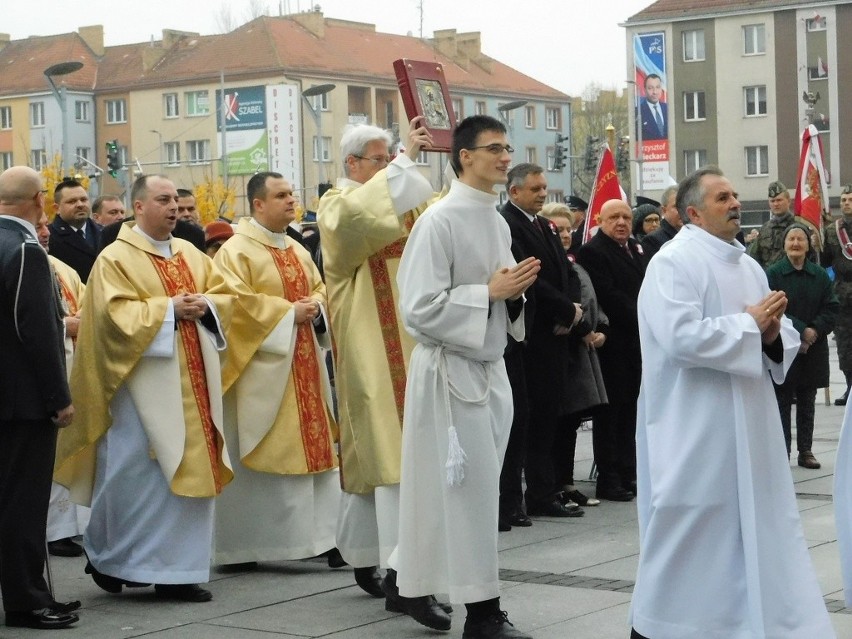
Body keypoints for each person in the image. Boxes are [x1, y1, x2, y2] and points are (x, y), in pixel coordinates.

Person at [630, 167, 834, 639]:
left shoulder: (745, 264)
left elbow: (777, 330)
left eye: (736, 196)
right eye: (723, 198)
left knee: (753, 530)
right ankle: (661, 626)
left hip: (751, 419)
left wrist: (766, 333)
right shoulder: (672, 263)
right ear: (693, 212)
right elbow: (679, 338)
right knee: (690, 529)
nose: (736, 203)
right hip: (695, 424)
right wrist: (748, 327)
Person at [55, 174, 233, 604]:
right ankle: (110, 557)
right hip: (139, 389)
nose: (174, 207)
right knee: (137, 477)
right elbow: (109, 319)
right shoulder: (115, 258)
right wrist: (168, 309)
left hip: (195, 381)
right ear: (138, 207)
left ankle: (180, 570)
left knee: (191, 473)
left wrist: (205, 305)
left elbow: (226, 296)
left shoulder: (190, 252)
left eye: (175, 199)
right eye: (162, 200)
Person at [394, 114, 538, 639]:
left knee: (458, 492)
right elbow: (418, 309)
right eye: (494, 148)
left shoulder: (496, 219)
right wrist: (489, 294)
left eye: (507, 146)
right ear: (465, 157)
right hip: (450, 372)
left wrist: (514, 294)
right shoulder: (440, 220)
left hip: (489, 365)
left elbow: (499, 293)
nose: (505, 156)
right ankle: (483, 613)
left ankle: (404, 579)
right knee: (472, 494)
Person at [316, 117, 440, 603]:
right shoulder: (336, 205)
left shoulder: (412, 204)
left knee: (395, 455)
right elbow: (356, 225)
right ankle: (399, 570)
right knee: (390, 451)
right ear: (351, 163)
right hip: (372, 342)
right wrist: (407, 160)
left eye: (391, 158)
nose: (390, 166)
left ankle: (369, 554)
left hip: (420, 342)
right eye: (381, 159)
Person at [210, 172, 340, 567]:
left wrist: (316, 308)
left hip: (304, 362)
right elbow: (231, 304)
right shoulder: (236, 251)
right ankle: (252, 544)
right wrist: (288, 313)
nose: (291, 201)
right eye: (280, 195)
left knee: (314, 448)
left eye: (291, 194)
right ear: (257, 204)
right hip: (262, 371)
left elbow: (320, 288)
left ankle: (320, 538)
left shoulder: (298, 249)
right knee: (268, 448)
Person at [0, 166, 79, 630]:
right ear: (39, 201)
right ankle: (28, 599)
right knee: (23, 504)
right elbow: (39, 332)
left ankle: (32, 591)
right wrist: (58, 396)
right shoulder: (26, 250)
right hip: (23, 402)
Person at [500, 164, 584, 521]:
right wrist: (565, 311)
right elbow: (528, 277)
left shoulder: (545, 224)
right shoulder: (508, 223)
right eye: (534, 189)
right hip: (530, 336)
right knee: (526, 419)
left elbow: (565, 271)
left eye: (544, 188)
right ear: (514, 191)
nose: (542, 194)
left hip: (556, 335)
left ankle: (542, 492)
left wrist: (573, 313)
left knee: (549, 416)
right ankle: (515, 500)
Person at [577, 199, 646, 502]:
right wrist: (645, 314)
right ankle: (609, 477)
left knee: (631, 410)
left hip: (634, 344)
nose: (621, 222)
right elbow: (609, 295)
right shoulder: (594, 251)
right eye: (614, 217)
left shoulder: (635, 248)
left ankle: (628, 471)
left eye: (626, 217)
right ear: (601, 221)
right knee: (611, 414)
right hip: (613, 343)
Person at [540, 202, 607, 508]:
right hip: (559, 348)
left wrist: (600, 326)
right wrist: (580, 328)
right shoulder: (547, 263)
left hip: (580, 351)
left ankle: (566, 483)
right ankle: (550, 485)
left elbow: (590, 298)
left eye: (568, 229)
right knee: (554, 424)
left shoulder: (574, 262)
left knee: (570, 423)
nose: (565, 234)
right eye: (558, 229)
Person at [33, 214, 90, 559]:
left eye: (45, 227)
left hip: (73, 369)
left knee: (71, 450)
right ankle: (52, 530)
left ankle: (70, 526)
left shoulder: (61, 268)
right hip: (45, 375)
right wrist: (63, 326)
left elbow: (87, 304)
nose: (44, 233)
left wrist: (83, 321)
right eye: (37, 226)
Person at [767, 223, 838, 468]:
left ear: (808, 245)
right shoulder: (774, 273)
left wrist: (814, 331)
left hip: (813, 347)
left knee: (808, 400)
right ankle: (781, 450)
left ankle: (806, 450)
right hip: (784, 346)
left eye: (800, 239)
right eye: (791, 240)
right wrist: (800, 331)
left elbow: (832, 307)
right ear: (785, 244)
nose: (795, 244)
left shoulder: (819, 275)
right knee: (783, 401)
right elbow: (772, 307)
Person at [821, 184, 852, 405]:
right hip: (843, 296)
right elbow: (823, 261)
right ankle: (850, 388)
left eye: (850, 199)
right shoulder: (833, 231)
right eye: (843, 200)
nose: (846, 203)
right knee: (845, 346)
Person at [747, 181, 814, 268]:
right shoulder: (765, 229)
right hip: (769, 278)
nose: (776, 204)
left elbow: (811, 257)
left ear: (788, 201)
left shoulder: (800, 226)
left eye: (779, 200)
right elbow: (754, 258)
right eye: (772, 201)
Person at [48, 177, 101, 282]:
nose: (80, 205)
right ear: (56, 208)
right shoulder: (49, 237)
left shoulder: (104, 233)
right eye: (72, 201)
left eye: (83, 199)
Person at [640, 186, 680, 260]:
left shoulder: (693, 235)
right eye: (676, 206)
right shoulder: (652, 240)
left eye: (684, 205)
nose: (682, 210)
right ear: (664, 210)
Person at [639, 74, 667, 141]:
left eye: (657, 87)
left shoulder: (668, 109)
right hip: (649, 150)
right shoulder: (638, 112)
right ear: (645, 90)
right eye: (650, 88)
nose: (655, 92)